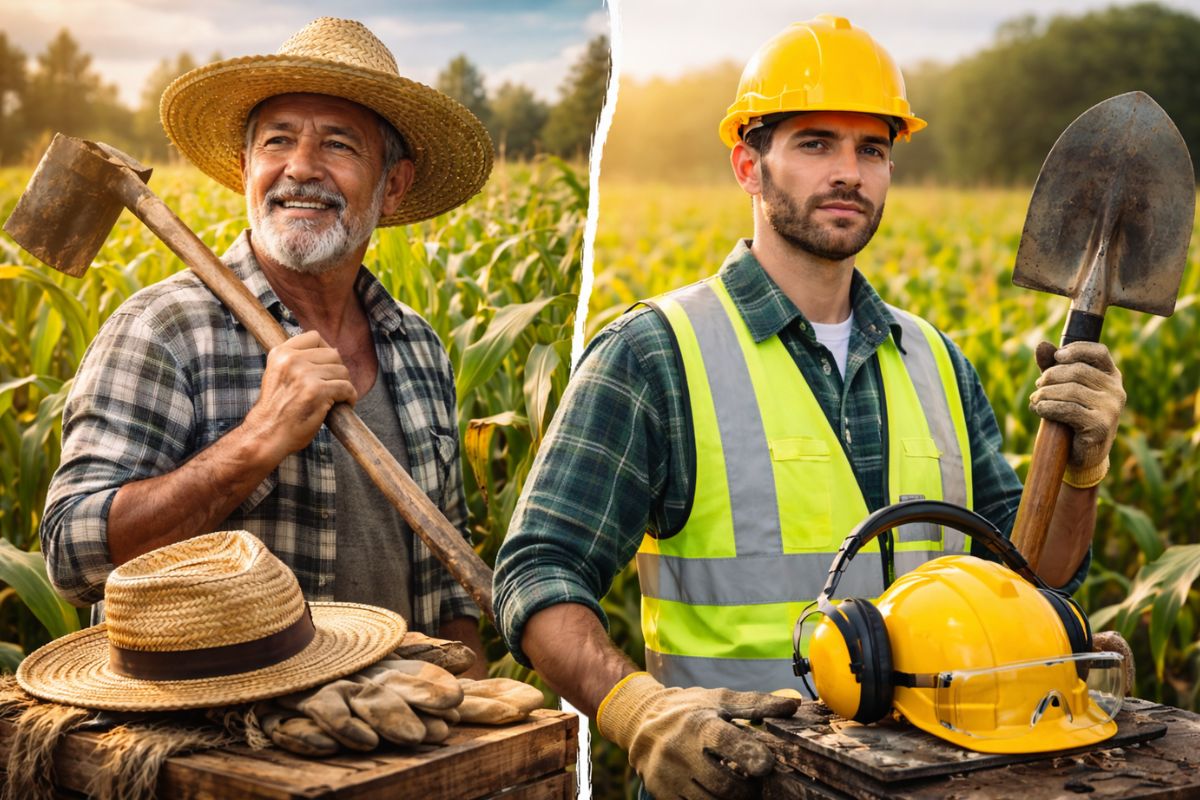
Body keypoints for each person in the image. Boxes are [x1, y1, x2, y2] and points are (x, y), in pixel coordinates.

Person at [492, 14, 1126, 799]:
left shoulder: (938, 361)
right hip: (741, 785)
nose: (849, 173)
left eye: (873, 149)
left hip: (938, 779)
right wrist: (637, 710)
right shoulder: (656, 353)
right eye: (816, 144)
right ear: (748, 165)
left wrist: (1081, 474)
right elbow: (539, 571)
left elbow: (1029, 583)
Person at [40, 17, 493, 676]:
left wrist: (472, 696)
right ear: (245, 167)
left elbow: (445, 575)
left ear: (392, 185)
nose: (301, 168)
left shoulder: (417, 347)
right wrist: (259, 438)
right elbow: (71, 556)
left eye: (338, 144)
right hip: (218, 727)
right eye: (277, 140)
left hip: (394, 723)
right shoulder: (162, 331)